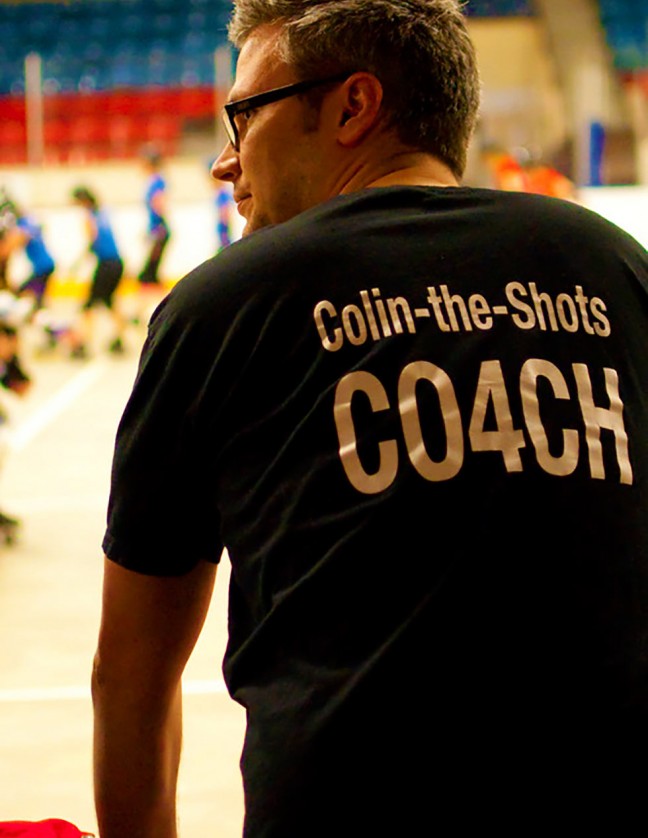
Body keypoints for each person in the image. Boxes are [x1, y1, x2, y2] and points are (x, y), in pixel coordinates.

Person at [92, 1, 648, 835]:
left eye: (244, 115)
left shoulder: (222, 310)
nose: (224, 159)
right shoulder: (616, 270)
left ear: (354, 106)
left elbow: (130, 678)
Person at [70, 187, 127, 358]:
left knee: (88, 305)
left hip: (106, 264)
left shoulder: (89, 216)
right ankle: (119, 338)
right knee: (109, 302)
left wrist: (76, 263)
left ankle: (82, 343)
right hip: (116, 263)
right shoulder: (103, 213)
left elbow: (92, 240)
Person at [0, 194, 55, 312]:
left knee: (23, 297)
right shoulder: (29, 221)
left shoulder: (22, 225)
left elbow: (9, 248)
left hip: (42, 268)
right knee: (31, 297)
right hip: (45, 266)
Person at [136, 145, 171, 320]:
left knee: (147, 276)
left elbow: (159, 205)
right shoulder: (155, 180)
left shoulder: (157, 181)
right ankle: (140, 311)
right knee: (150, 276)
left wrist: (157, 230)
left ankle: (170, 306)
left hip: (159, 233)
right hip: (158, 232)